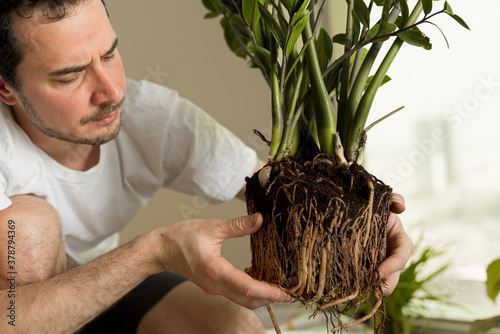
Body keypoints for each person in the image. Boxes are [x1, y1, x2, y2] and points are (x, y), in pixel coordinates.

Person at [0, 0, 414, 333]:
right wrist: (156, 250)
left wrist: (365, 219)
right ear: (6, 87)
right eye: (70, 76)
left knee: (235, 328)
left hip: (108, 284)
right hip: (25, 309)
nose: (110, 91)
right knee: (28, 227)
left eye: (109, 54)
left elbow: (274, 187)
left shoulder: (151, 116)